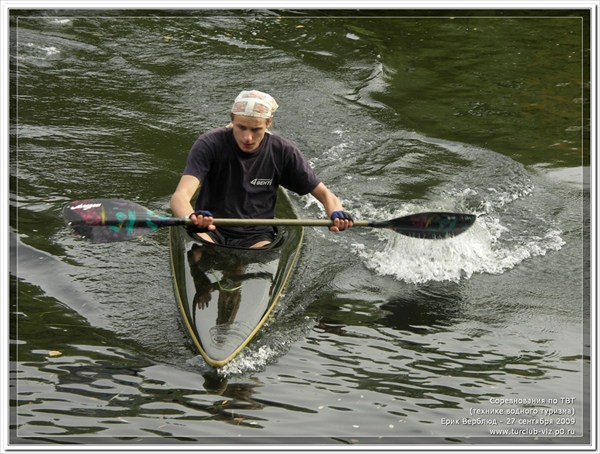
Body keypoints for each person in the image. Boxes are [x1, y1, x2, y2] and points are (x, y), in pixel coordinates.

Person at [170, 89, 353, 248]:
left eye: (256, 129)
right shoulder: (209, 144)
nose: (247, 137)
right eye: (241, 127)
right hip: (210, 228)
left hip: (257, 235)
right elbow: (180, 197)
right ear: (232, 119)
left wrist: (337, 214)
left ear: (268, 124)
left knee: (248, 266)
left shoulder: (283, 151)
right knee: (203, 258)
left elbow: (325, 195)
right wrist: (192, 219)